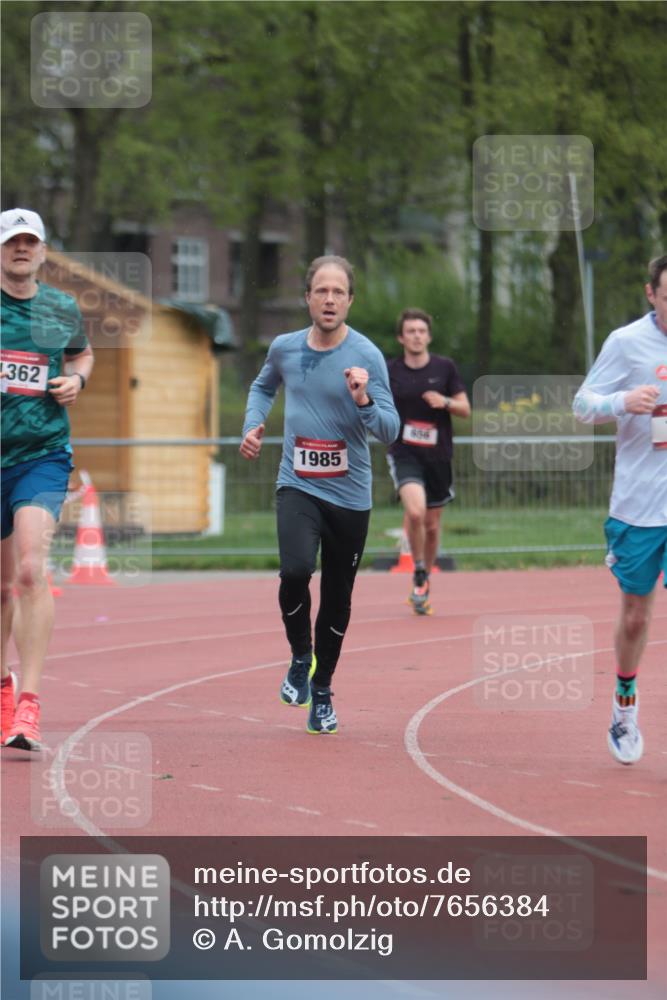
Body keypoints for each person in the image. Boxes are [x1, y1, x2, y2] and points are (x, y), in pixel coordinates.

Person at [240, 255, 399, 733]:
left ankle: (323, 689)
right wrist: (252, 425)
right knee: (294, 571)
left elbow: (390, 429)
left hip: (349, 497)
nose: (330, 299)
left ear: (350, 301)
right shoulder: (285, 348)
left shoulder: (367, 355)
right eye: (321, 291)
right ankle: (299, 656)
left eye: (338, 292)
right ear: (307, 297)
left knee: (336, 596)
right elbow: (262, 387)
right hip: (298, 483)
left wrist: (363, 400)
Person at [1, 208, 94, 751]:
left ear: (41, 251)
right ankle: (3, 691)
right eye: (11, 241)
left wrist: (76, 380)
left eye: (29, 241)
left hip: (41, 454)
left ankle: (30, 706)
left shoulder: (60, 307)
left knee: (31, 569)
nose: (21, 249)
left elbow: (82, 354)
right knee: (1, 588)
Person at [573, 254, 667, 765]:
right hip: (639, 507)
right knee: (635, 617)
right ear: (651, 294)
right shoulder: (626, 342)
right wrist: (622, 402)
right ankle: (624, 705)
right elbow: (581, 405)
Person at [386, 308, 470, 614]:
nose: (417, 336)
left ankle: (423, 579)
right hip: (404, 453)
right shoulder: (390, 370)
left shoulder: (444, 368)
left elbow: (465, 409)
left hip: (438, 455)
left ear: (429, 336)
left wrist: (444, 401)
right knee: (415, 511)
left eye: (421, 331)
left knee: (432, 526)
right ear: (401, 337)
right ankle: (418, 567)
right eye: (411, 331)